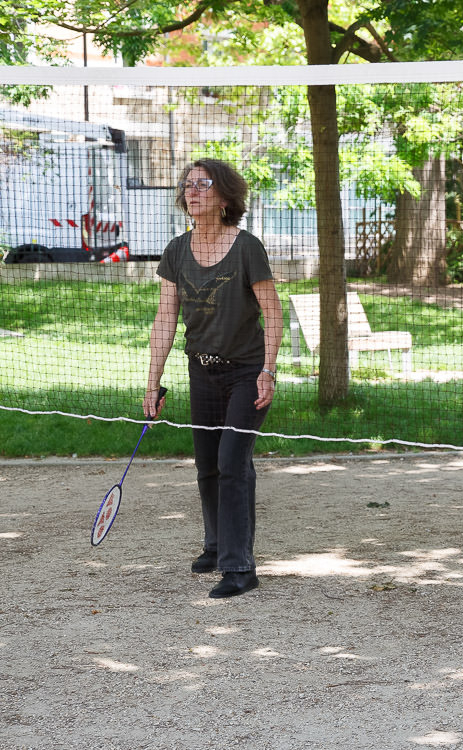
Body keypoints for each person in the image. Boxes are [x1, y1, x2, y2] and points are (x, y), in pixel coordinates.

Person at [144, 158, 282, 600]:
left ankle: (240, 567)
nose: (193, 191)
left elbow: (272, 310)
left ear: (224, 197)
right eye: (188, 185)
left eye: (203, 184)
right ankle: (216, 545)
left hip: (246, 372)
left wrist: (268, 370)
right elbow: (165, 317)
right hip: (200, 371)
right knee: (207, 466)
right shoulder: (175, 250)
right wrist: (153, 381)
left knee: (231, 463)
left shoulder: (247, 247)